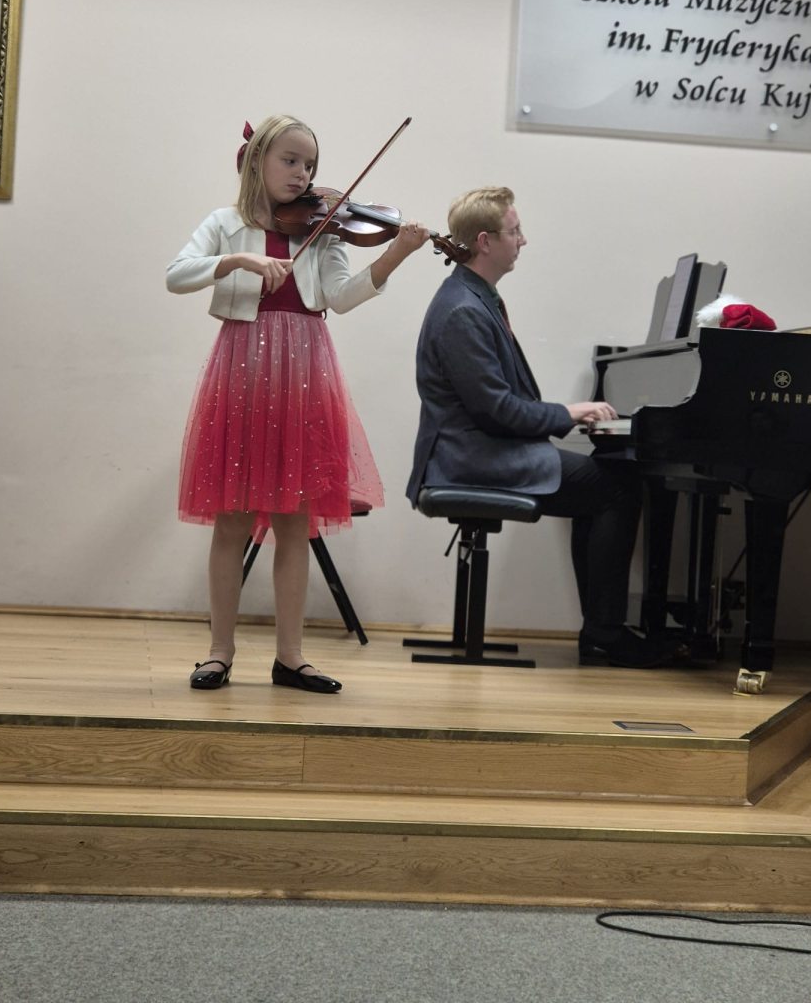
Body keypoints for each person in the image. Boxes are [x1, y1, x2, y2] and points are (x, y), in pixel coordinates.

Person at [167, 114, 429, 693]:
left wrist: (396, 254)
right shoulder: (225, 223)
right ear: (257, 159)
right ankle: (218, 652)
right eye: (290, 160)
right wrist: (239, 261)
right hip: (242, 373)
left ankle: (291, 657)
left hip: (306, 376)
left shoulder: (323, 231)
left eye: (309, 165)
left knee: (295, 521)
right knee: (232, 520)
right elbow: (177, 275)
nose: (302, 174)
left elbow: (341, 296)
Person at [406, 186, 664, 669]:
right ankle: (605, 632)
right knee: (617, 487)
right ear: (485, 241)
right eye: (515, 231)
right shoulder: (464, 310)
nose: (523, 240)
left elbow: (499, 406)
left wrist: (566, 415)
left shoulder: (473, 297)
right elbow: (496, 411)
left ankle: (601, 629)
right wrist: (570, 412)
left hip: (474, 449)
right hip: (468, 459)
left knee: (609, 481)